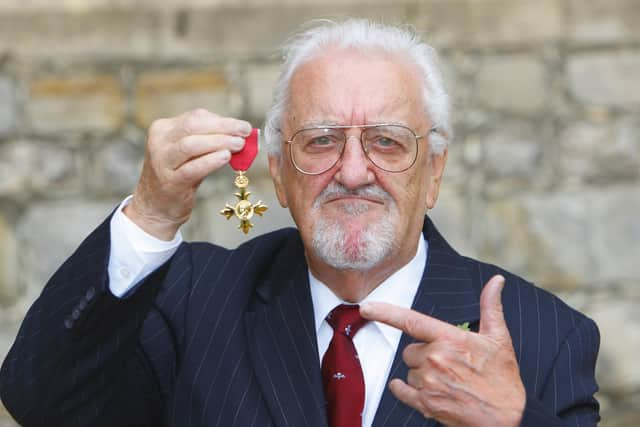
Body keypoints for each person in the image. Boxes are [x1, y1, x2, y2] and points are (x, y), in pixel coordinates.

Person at [0, 19, 599, 427]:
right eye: (321, 141)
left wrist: (514, 421)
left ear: (434, 173)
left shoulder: (544, 335)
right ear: (279, 173)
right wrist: (151, 213)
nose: (354, 171)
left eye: (388, 143)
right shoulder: (193, 300)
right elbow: (42, 400)